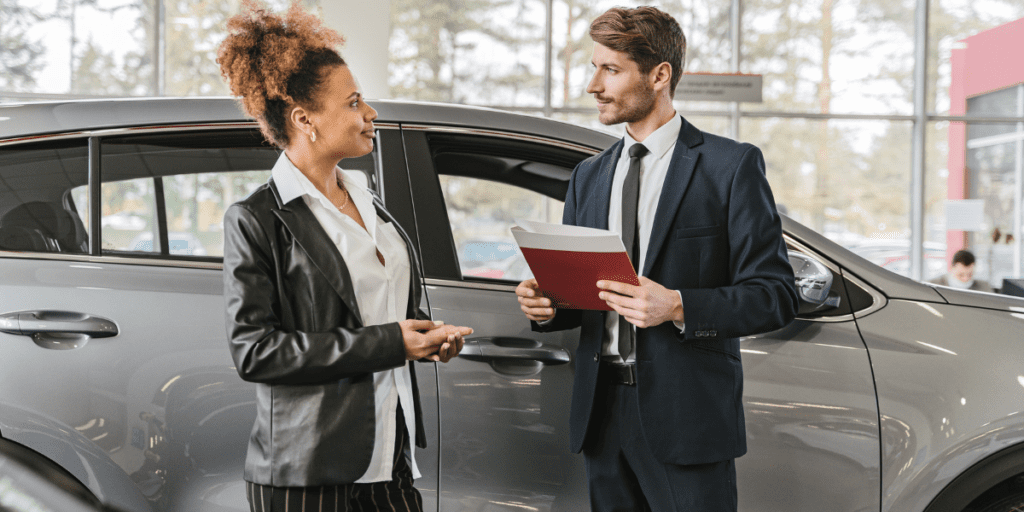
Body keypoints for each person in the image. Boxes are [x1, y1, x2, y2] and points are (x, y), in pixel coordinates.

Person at [515, 7, 798, 511]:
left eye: (610, 70)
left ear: (659, 75)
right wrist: (550, 305)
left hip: (686, 417)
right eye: (594, 67)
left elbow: (775, 296)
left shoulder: (730, 167)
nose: (592, 85)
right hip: (602, 414)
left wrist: (678, 305)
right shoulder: (588, 176)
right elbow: (588, 295)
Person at [218, 2, 473, 511]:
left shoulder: (367, 200)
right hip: (308, 474)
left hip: (390, 459)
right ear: (304, 119)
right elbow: (255, 351)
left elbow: (380, 308)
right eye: (354, 102)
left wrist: (423, 336)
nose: (370, 114)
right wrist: (389, 343)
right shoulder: (257, 219)